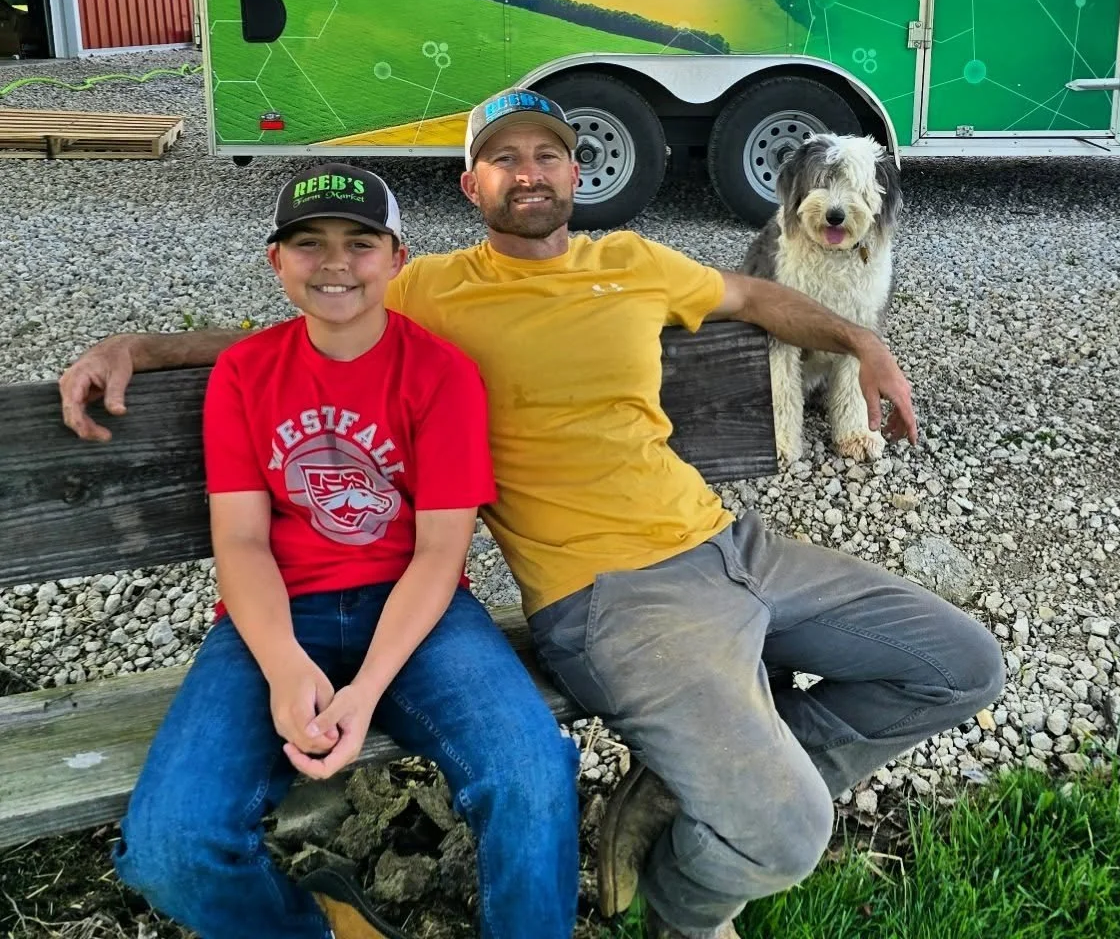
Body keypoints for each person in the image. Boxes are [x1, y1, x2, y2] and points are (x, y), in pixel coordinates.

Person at [63, 90, 1005, 939]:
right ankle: (688, 905)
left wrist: (860, 340)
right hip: (614, 596)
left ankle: (687, 793)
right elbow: (295, 327)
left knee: (962, 666)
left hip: (728, 543)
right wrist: (136, 348)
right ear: (471, 184)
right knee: (790, 832)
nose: (528, 172)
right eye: (504, 158)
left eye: (545, 154)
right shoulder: (428, 289)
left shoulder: (635, 261)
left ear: (577, 168)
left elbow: (755, 294)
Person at [108, 162, 579, 939]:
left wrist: (362, 695)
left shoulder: (441, 374)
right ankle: (316, 927)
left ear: (397, 258)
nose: (334, 262)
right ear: (276, 262)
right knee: (171, 846)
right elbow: (243, 539)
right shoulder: (245, 373)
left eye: (360, 243)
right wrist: (289, 665)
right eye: (308, 243)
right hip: (275, 616)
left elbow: (438, 555)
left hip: (417, 613)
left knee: (532, 777)